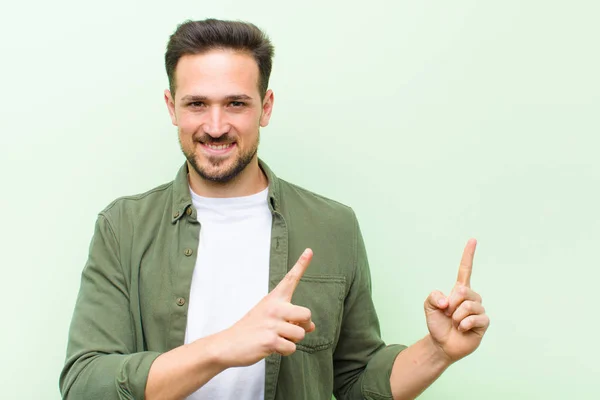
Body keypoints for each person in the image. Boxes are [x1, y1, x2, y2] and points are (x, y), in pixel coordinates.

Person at [59, 18, 490, 400]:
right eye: (196, 104)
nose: (215, 126)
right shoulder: (123, 226)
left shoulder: (333, 225)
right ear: (172, 107)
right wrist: (224, 346)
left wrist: (437, 352)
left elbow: (357, 382)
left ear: (264, 107)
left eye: (236, 103)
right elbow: (85, 384)